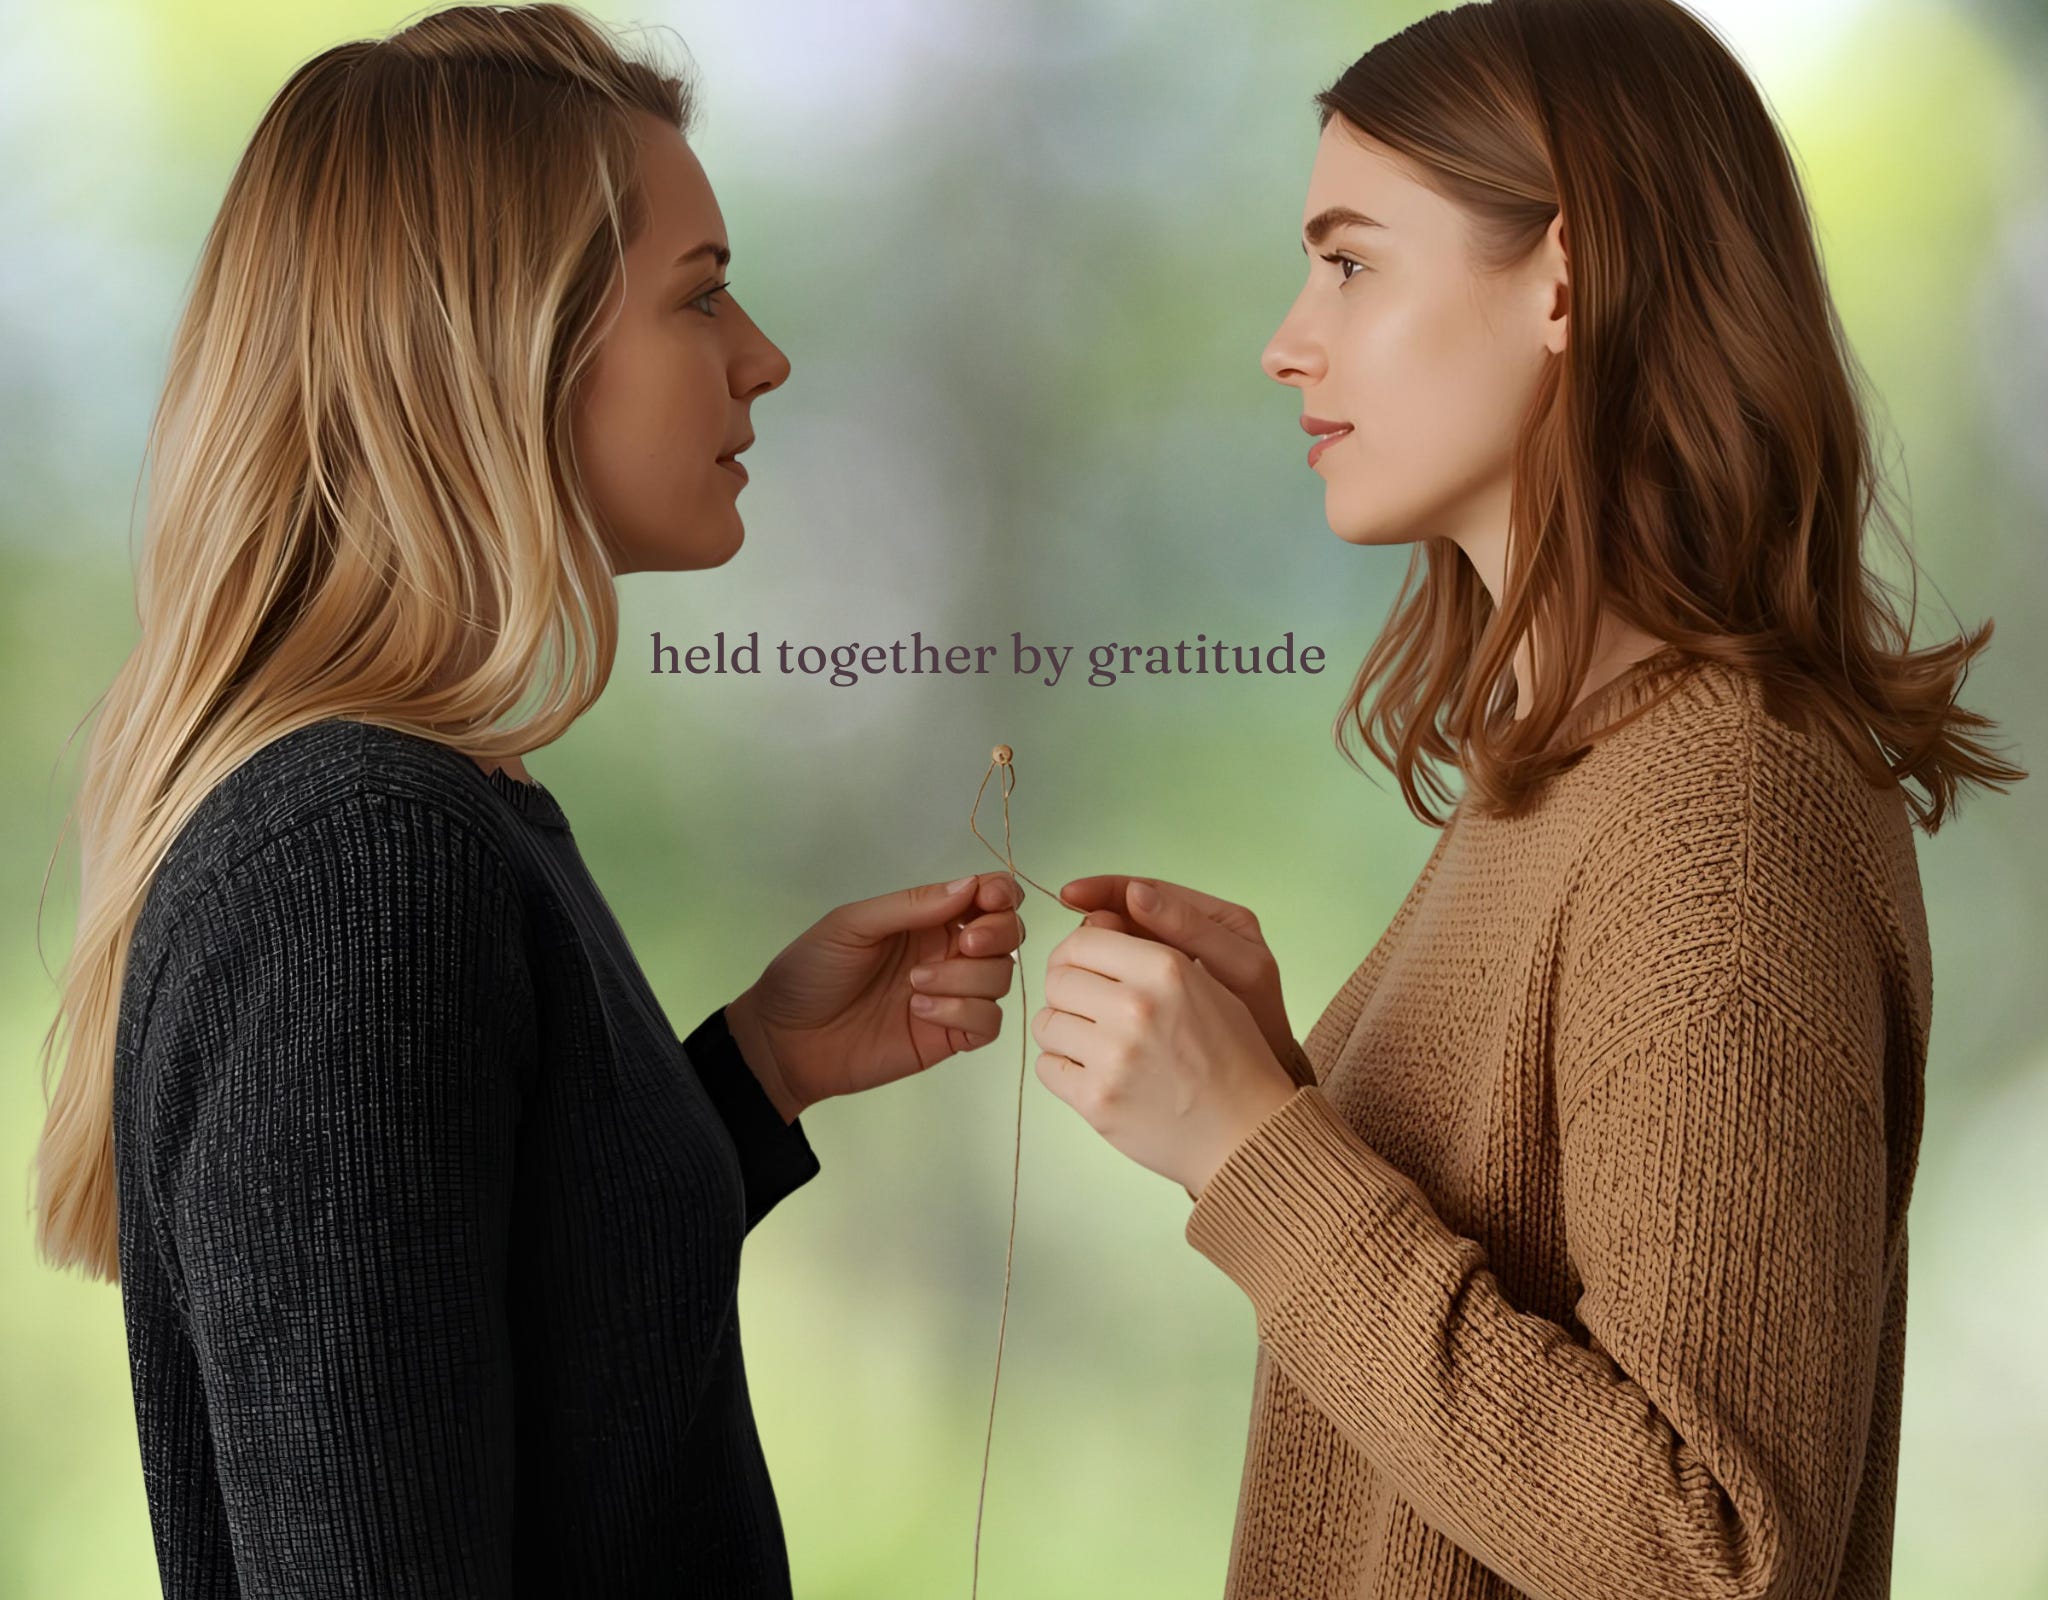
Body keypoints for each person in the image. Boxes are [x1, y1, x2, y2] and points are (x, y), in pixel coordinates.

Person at [1030, 2, 2025, 1597]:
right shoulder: (1565, 779)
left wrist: (1256, 1148)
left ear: (1565, 279)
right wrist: (1283, 1087)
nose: (1288, 338)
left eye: (1351, 262)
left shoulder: (1725, 814)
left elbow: (1705, 1551)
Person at [29, 6, 1022, 1595]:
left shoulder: (432, 819)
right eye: (700, 297)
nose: (762, 354)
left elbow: (529, 1355)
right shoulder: (362, 865)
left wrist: (758, 1073)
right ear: (503, 345)